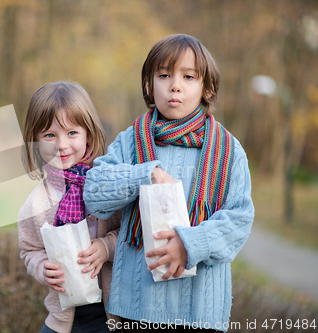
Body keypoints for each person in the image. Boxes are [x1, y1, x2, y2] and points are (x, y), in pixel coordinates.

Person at [83, 34, 255, 332]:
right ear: (149, 84)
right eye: (164, 75)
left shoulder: (228, 151)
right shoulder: (132, 141)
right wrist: (145, 175)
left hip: (199, 312)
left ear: (207, 88)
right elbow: (95, 192)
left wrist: (189, 245)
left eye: (188, 76)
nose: (175, 85)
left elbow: (239, 219)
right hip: (134, 307)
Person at [18, 81, 122, 333]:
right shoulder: (37, 202)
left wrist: (106, 247)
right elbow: (29, 250)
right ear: (35, 141)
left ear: (89, 133)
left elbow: (131, 234)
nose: (62, 145)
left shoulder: (109, 187)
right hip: (63, 320)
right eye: (50, 135)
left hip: (110, 316)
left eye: (72, 133)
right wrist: (43, 268)